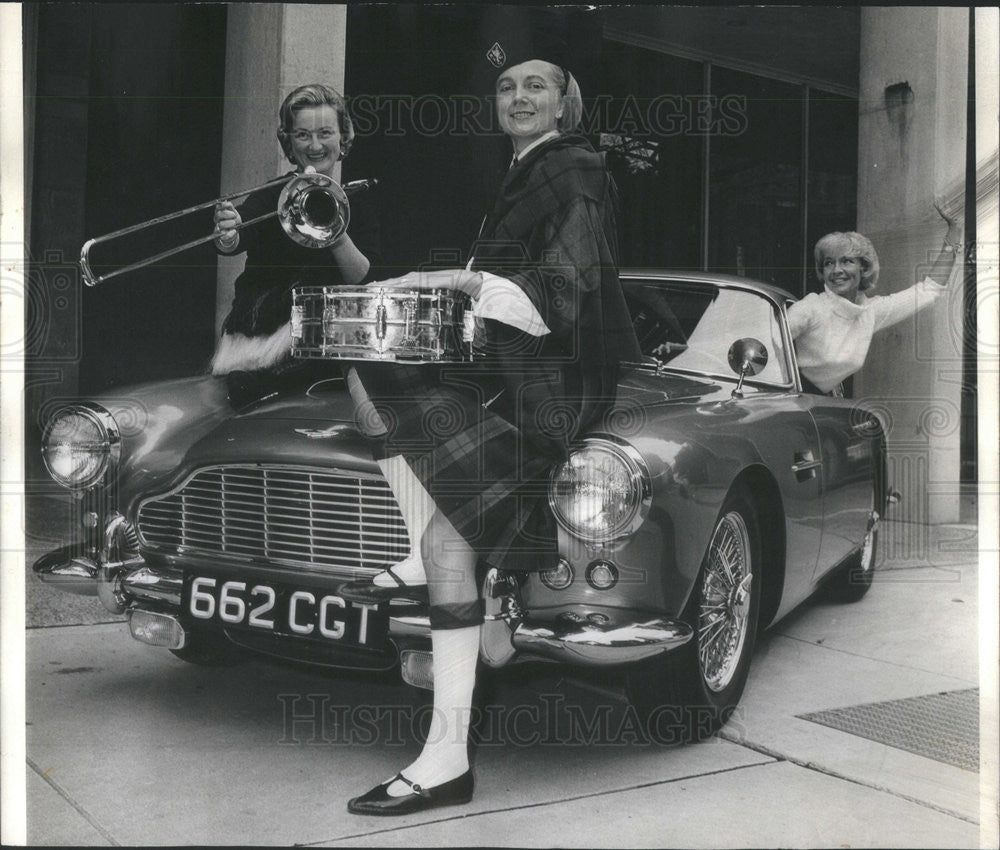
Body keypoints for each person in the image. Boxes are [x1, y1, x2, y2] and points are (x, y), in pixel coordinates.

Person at [341, 58, 642, 816]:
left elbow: (562, 293)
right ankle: (444, 579)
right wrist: (428, 284)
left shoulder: (575, 169)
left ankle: (446, 755)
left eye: (536, 86)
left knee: (448, 537)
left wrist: (459, 282)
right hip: (509, 364)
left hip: (550, 386)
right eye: (508, 87)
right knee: (369, 357)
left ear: (566, 103)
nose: (519, 96)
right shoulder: (526, 173)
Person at [210, 83, 378, 380]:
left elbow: (362, 277)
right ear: (289, 142)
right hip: (264, 348)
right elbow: (237, 236)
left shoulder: (359, 201)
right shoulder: (273, 195)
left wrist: (330, 216)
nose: (315, 146)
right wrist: (229, 230)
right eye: (303, 135)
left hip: (332, 347)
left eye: (325, 133)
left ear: (343, 138)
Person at [789, 205, 963, 394]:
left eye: (846, 261)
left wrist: (955, 231)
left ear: (863, 268)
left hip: (826, 399)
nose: (837, 270)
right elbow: (765, 347)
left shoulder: (870, 311)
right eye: (829, 263)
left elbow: (929, 290)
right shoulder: (810, 307)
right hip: (792, 399)